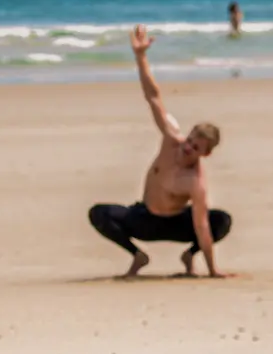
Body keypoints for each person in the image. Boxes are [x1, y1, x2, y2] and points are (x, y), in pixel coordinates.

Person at [87, 25, 232, 278]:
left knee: (221, 220)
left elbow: (201, 224)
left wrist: (213, 270)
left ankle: (189, 256)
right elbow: (153, 97)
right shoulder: (170, 139)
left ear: (205, 154)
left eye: (195, 148)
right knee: (99, 213)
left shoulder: (195, 181)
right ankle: (138, 256)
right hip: (145, 218)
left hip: (177, 223)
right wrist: (141, 57)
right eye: (189, 141)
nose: (188, 148)